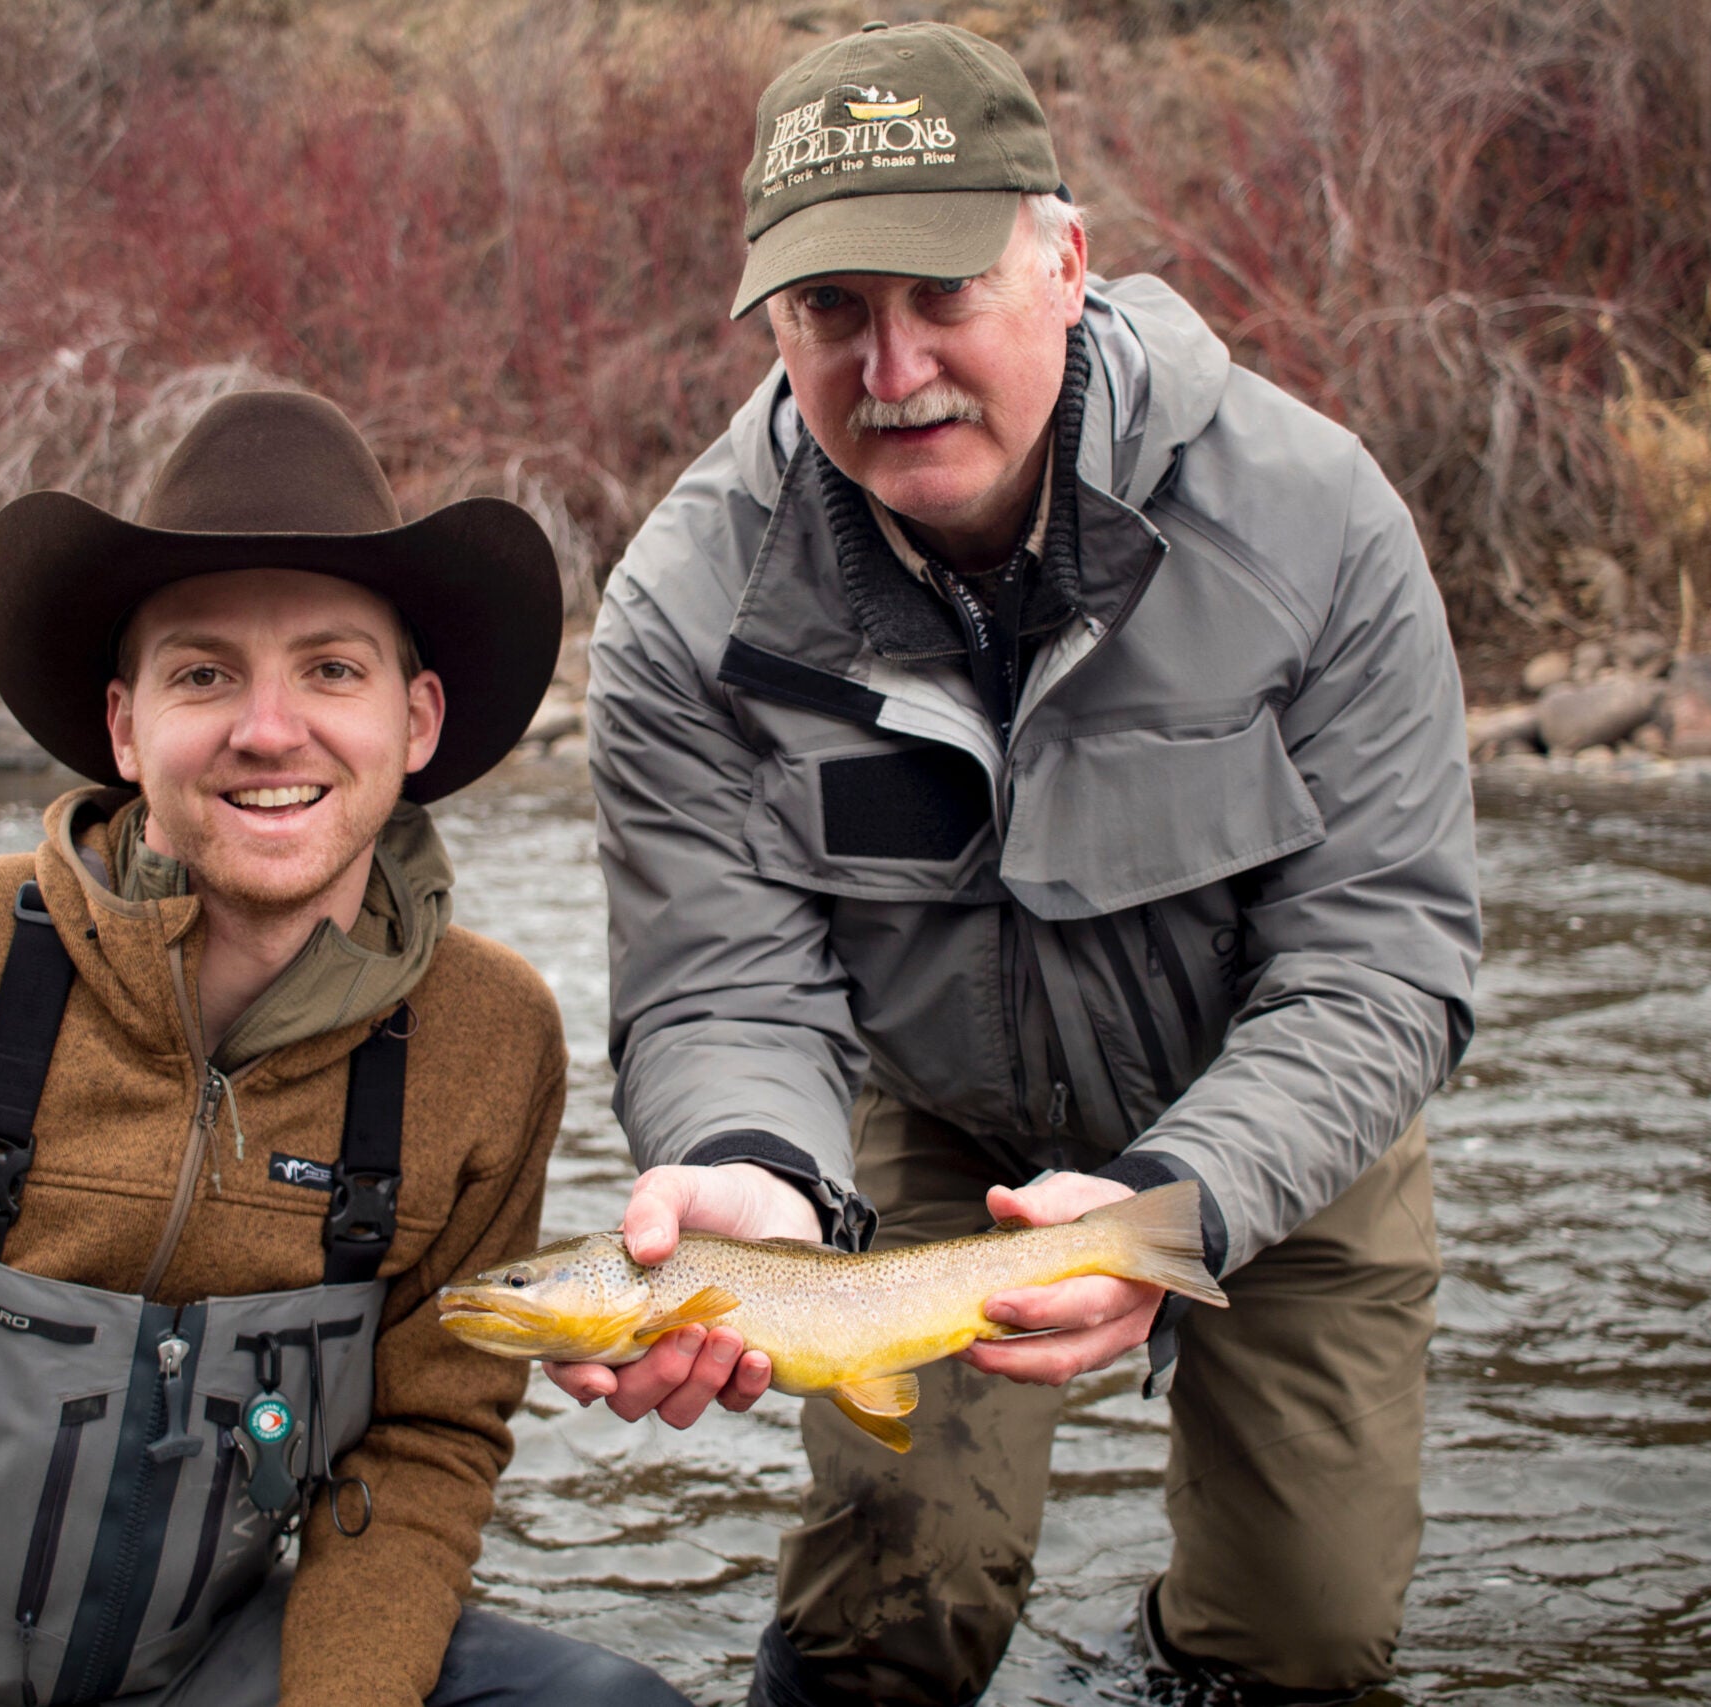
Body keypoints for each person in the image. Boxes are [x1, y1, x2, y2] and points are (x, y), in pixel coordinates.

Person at [571, 21, 1480, 1707]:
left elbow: (1383, 962)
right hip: (931, 1124)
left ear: (1066, 266)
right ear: (775, 320)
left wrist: (1169, 1201)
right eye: (831, 311)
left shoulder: (1315, 520)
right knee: (884, 1615)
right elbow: (721, 983)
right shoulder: (686, 608)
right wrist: (749, 1169)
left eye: (942, 295)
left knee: (1305, 1638)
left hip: (1279, 1113)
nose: (892, 365)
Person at [0, 391, 690, 1707]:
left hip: (196, 1670)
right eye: (204, 673)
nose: (271, 729)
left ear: (416, 722)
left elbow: (432, 1432)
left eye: (331, 668)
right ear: (125, 726)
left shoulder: (493, 1039)